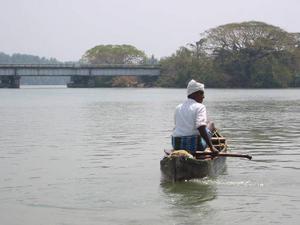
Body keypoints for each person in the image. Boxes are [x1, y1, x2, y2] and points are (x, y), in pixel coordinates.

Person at [171, 79, 219, 154]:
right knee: (211, 124)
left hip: (176, 145)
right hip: (193, 145)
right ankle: (210, 143)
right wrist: (211, 147)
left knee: (206, 125)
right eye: (202, 93)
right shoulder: (200, 107)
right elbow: (200, 127)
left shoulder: (178, 107)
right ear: (195, 94)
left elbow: (176, 126)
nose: (204, 97)